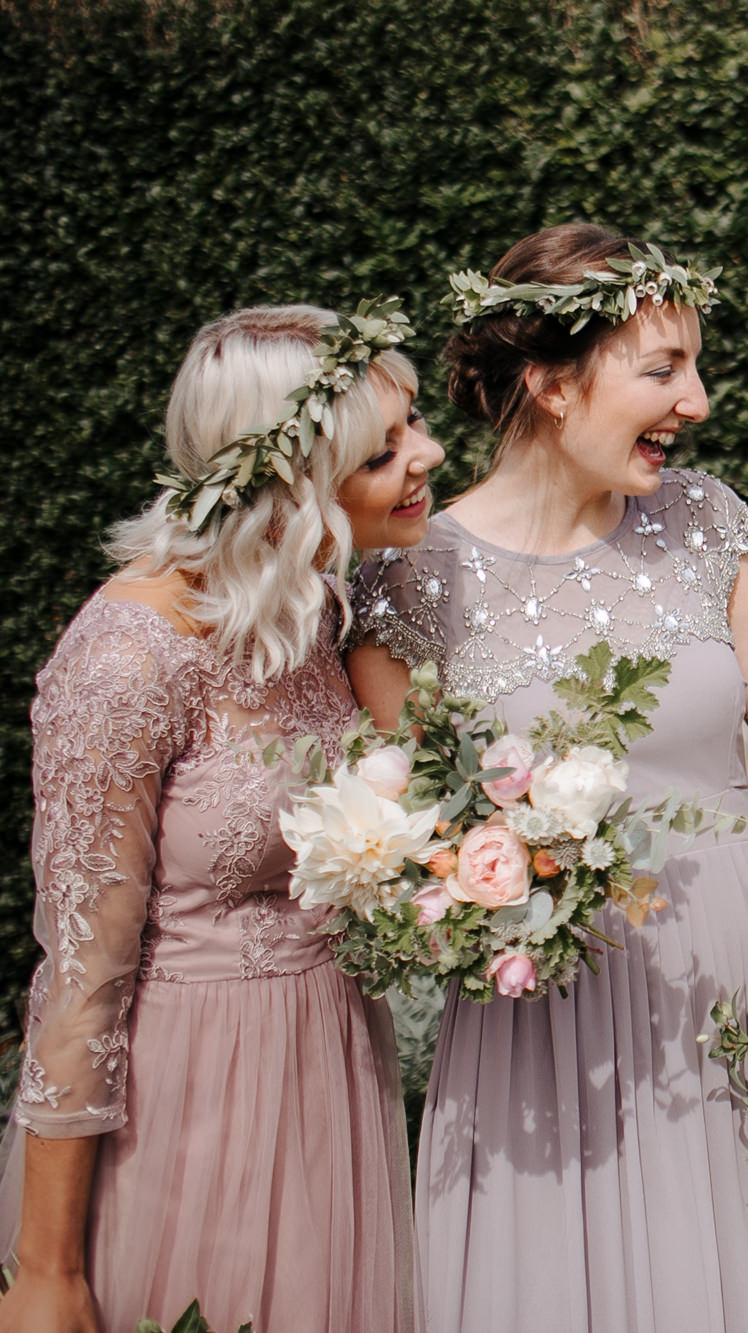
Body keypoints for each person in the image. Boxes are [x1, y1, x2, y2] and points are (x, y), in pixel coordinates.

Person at [348, 222, 748, 1333]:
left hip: (737, 1011)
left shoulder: (706, 522)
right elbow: (411, 850)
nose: (700, 400)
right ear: (551, 384)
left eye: (695, 366)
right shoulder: (412, 584)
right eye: (662, 370)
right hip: (549, 1041)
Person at [0, 301, 436, 1333]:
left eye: (413, 421)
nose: (427, 454)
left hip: (334, 1067)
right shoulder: (124, 656)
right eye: (385, 450)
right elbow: (77, 976)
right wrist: (44, 1269)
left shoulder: (323, 616)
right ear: (286, 482)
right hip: (195, 1102)